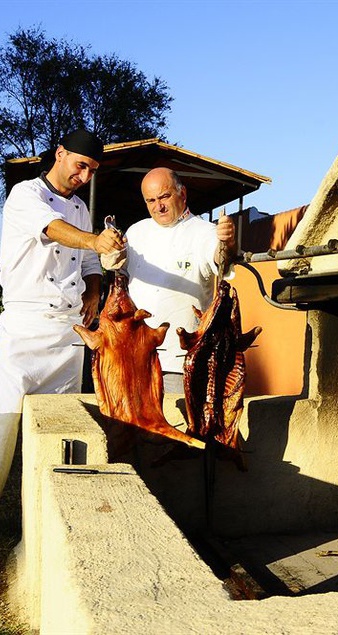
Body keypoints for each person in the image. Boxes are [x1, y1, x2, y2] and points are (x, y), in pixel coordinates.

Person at [0, 129, 125, 494]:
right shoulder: (25, 194)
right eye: (81, 165)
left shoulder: (81, 208)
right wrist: (95, 241)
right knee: (3, 429)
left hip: (67, 334)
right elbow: (54, 229)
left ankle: (52, 503)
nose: (84, 177)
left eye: (92, 171)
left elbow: (88, 261)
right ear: (60, 153)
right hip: (24, 330)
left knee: (61, 435)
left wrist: (95, 290)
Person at [105, 167, 236, 394]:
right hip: (135, 356)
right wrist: (110, 251)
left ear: (182, 194)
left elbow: (220, 258)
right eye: (151, 200)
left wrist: (227, 242)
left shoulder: (204, 231)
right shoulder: (137, 231)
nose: (159, 206)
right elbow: (118, 271)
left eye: (165, 196)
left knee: (179, 424)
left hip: (180, 359)